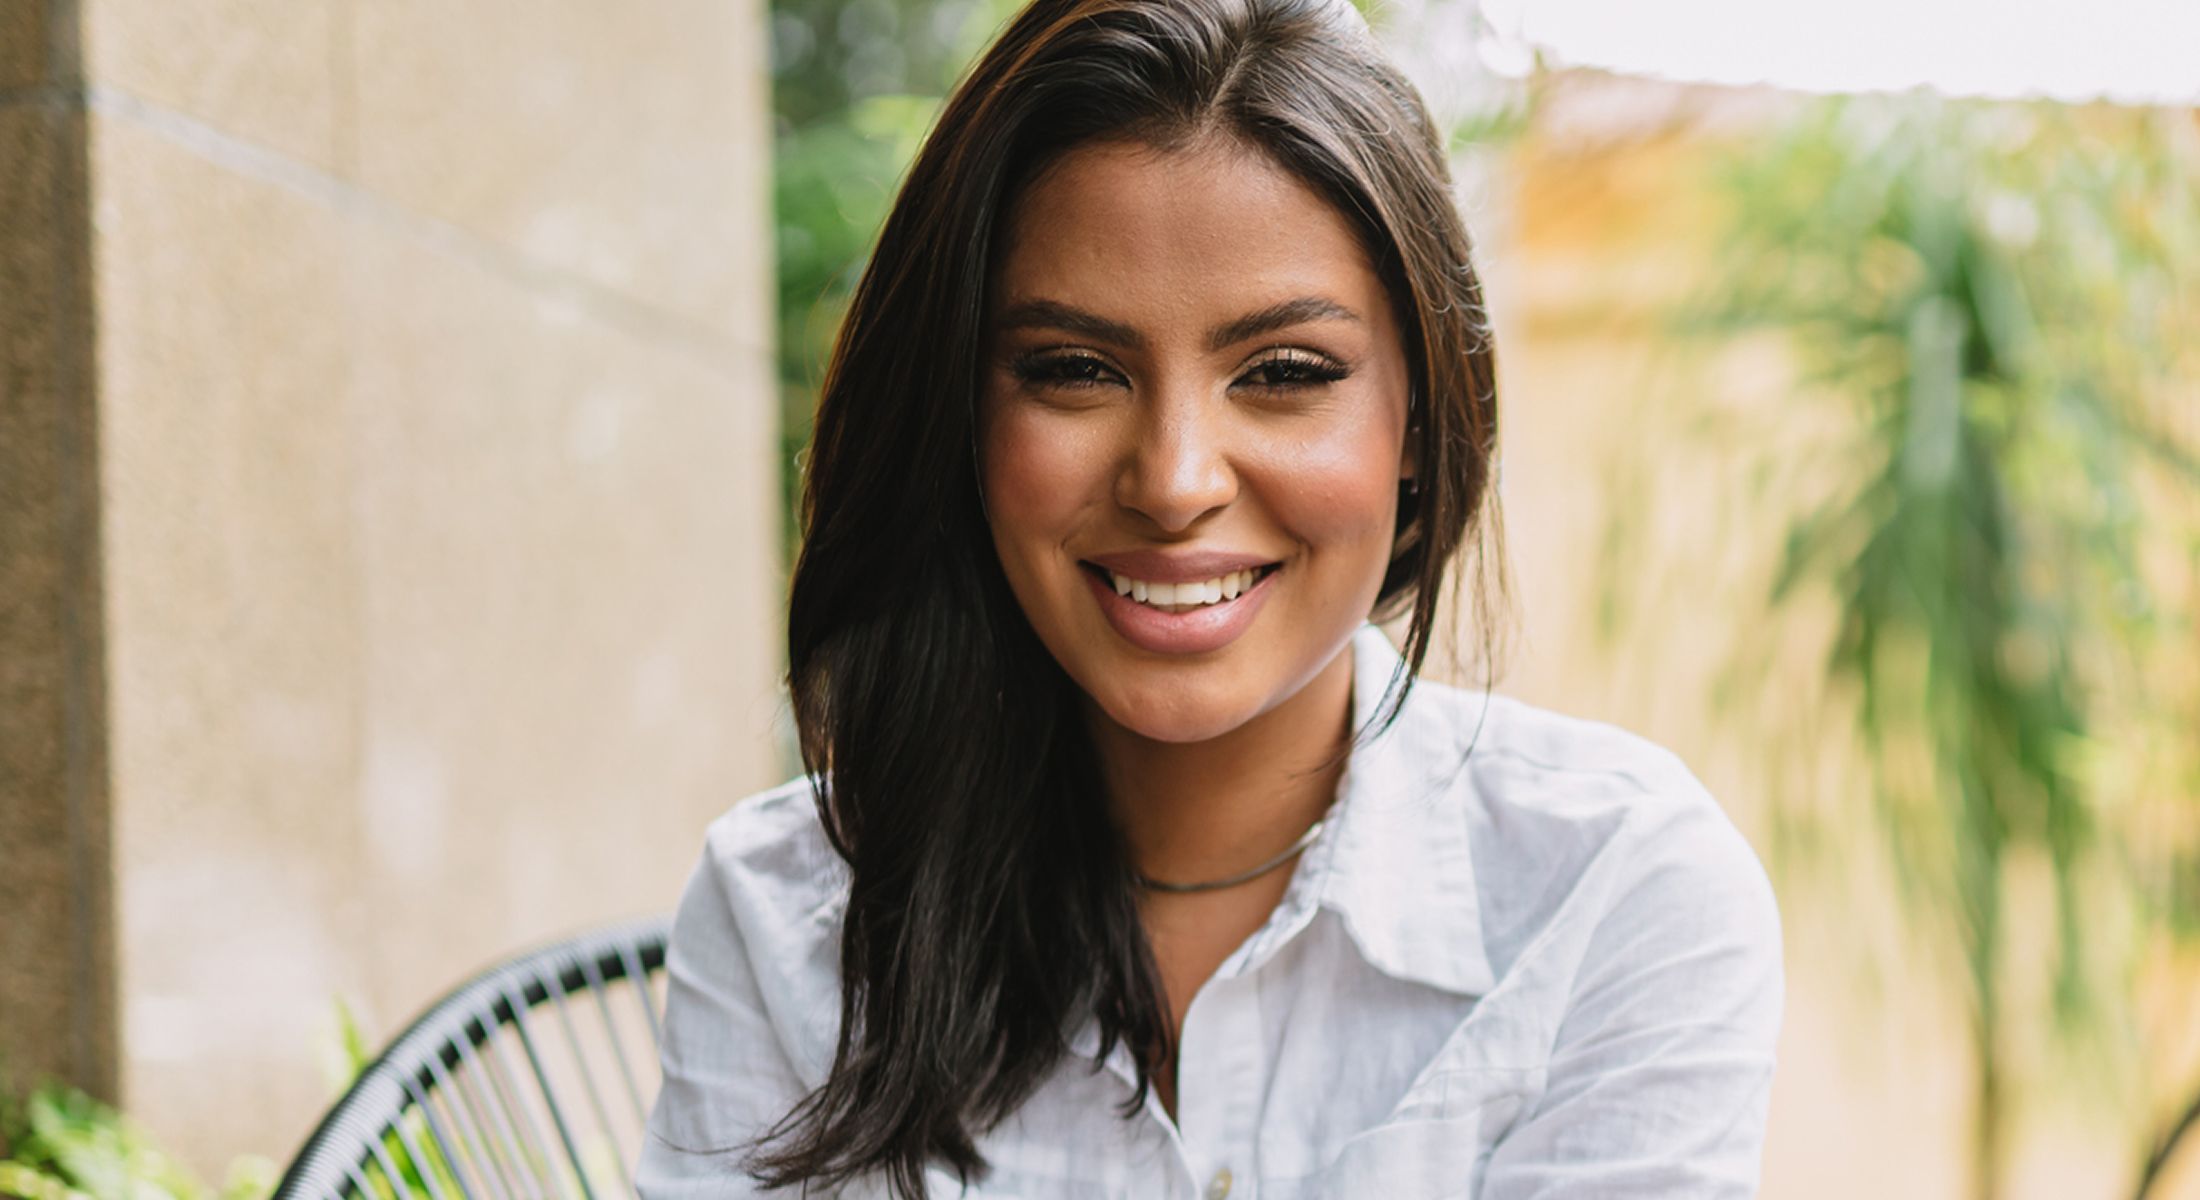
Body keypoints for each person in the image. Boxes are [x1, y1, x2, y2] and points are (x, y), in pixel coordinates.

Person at [636, 0, 1784, 1195]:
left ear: (1419, 417)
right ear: (962, 418)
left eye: (1283, 371)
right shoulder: (785, 918)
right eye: (1074, 370)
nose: (1175, 482)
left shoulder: (1613, 896)